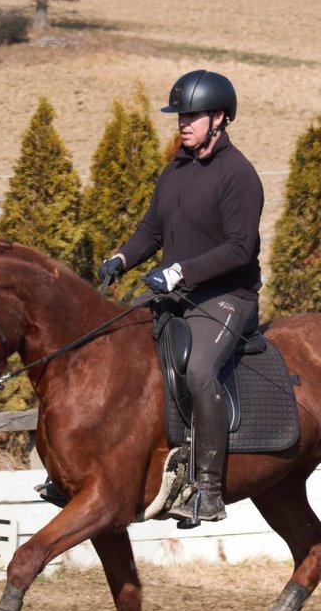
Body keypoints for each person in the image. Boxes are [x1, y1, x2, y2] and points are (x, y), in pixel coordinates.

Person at [98, 69, 264, 527]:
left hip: (226, 296)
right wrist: (120, 258)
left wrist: (178, 271)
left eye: (192, 115)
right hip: (178, 294)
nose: (183, 123)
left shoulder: (239, 175)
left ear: (219, 118)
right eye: (180, 115)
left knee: (200, 370)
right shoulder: (176, 169)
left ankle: (208, 489)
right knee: (113, 347)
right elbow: (152, 231)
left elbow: (239, 248)